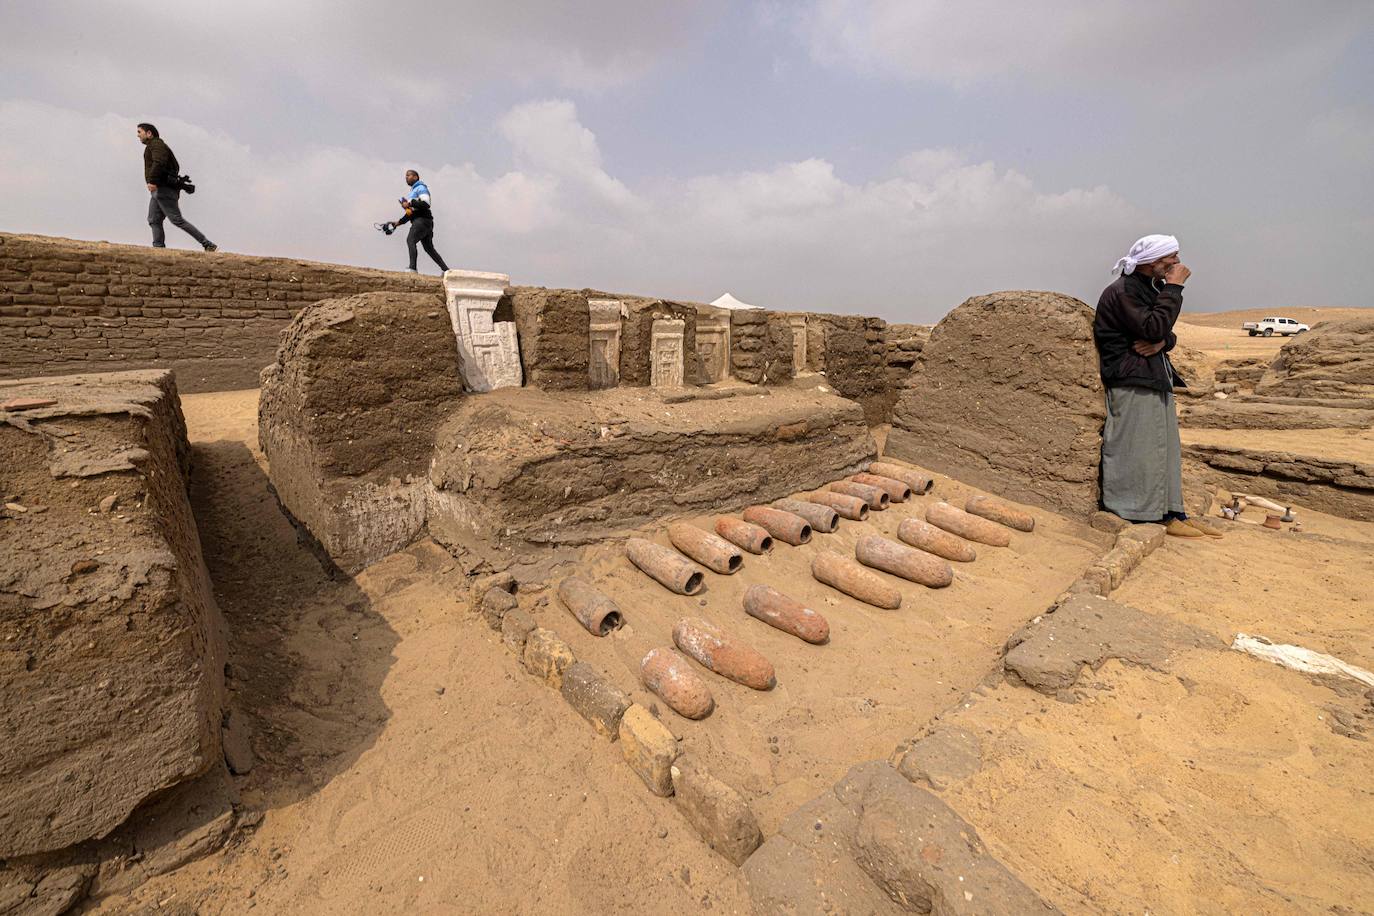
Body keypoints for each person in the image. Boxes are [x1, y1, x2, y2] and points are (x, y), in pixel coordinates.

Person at [1093, 234, 1219, 539]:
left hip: (1153, 376)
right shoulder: (1123, 291)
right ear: (1152, 262)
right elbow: (1153, 326)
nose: (1177, 263)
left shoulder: (1150, 289)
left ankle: (1172, 512)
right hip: (1132, 379)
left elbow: (1164, 333)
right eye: (1171, 258)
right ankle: (1136, 513)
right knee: (1138, 451)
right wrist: (1175, 289)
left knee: (1164, 451)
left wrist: (1163, 341)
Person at [137, 123, 216, 251]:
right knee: (153, 219)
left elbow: (159, 162)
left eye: (140, 132)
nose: (138, 135)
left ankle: (207, 244)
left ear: (149, 133)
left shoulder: (157, 144)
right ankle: (158, 248)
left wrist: (152, 181)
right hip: (159, 190)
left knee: (176, 220)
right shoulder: (153, 146)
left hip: (163, 189)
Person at [394, 169, 448, 273]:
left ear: (416, 177)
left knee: (411, 240)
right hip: (425, 222)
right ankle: (446, 270)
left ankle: (412, 268)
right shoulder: (413, 192)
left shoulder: (421, 188)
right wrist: (398, 222)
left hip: (422, 221)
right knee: (429, 248)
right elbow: (412, 213)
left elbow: (426, 204)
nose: (406, 177)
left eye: (408, 175)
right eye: (405, 176)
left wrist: (409, 203)